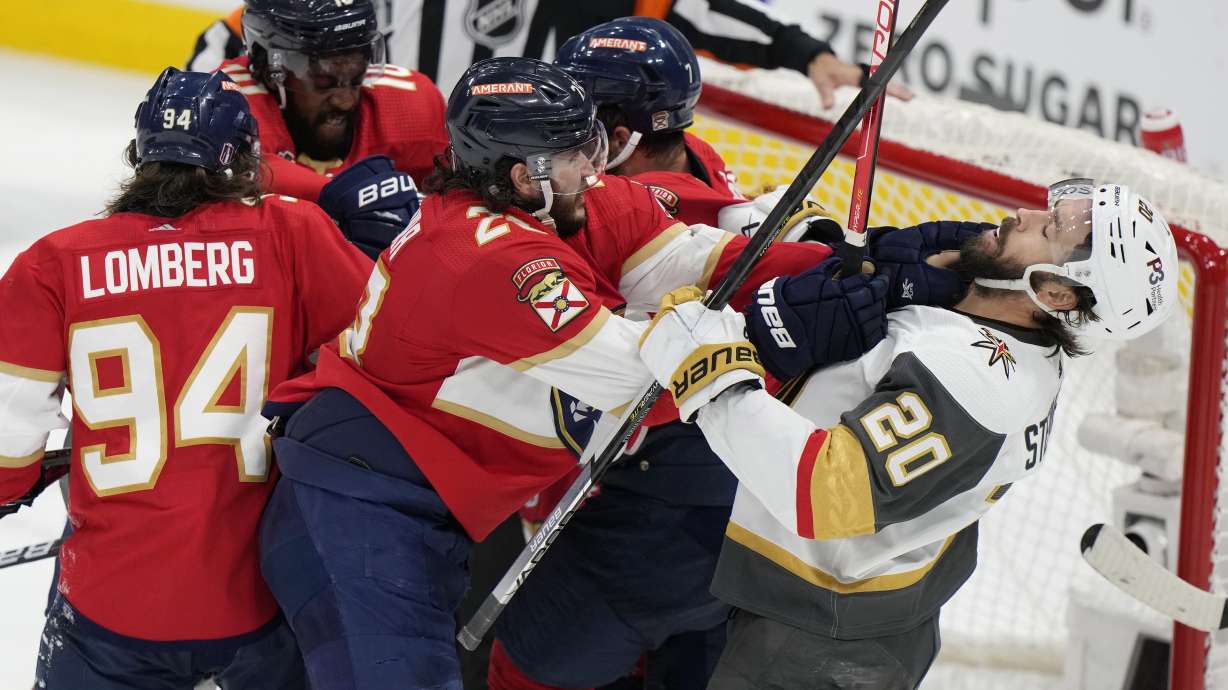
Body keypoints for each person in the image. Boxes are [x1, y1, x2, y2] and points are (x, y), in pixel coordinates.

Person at [253, 54, 872, 689]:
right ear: (524, 175)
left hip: (415, 511)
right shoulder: (485, 261)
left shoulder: (564, 207)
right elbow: (643, 383)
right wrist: (787, 328)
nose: (595, 169)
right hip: (357, 512)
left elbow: (710, 264)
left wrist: (860, 266)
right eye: (576, 154)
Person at [488, 16, 988, 689]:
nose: (560, 138)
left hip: (653, 515)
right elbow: (755, 225)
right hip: (751, 525)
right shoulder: (707, 167)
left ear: (616, 132)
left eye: (577, 121)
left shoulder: (620, 199)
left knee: (523, 666)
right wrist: (842, 251)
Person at [634, 178, 1180, 688]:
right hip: (837, 611)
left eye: (1051, 230)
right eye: (1051, 209)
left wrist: (712, 375)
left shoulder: (976, 383)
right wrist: (842, 248)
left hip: (823, 651)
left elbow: (824, 491)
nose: (1024, 214)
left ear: (1058, 294)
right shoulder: (987, 315)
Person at [0, 67, 373, 690]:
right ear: (248, 163)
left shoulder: (52, 263)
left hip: (113, 606)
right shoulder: (292, 234)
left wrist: (12, 485)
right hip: (260, 599)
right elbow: (383, 353)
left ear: (139, 158)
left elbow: (9, 433)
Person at [189, 1, 909, 110]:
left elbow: (691, 9)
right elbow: (241, 36)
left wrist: (807, 53)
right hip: (361, 184)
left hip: (504, 200)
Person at [216, 0, 449, 202]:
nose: (346, 101)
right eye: (324, 82)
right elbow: (237, 170)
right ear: (271, 70)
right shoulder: (224, 100)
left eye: (357, 77)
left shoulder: (412, 104)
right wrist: (347, 197)